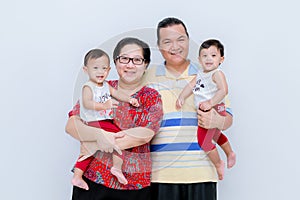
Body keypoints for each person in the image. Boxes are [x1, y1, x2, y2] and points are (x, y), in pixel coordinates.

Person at [143, 17, 233, 200]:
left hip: (201, 173)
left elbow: (228, 119)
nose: (175, 46)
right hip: (161, 175)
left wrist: (217, 120)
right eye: (167, 41)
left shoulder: (208, 75)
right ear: (159, 45)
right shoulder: (147, 77)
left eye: (180, 39)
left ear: (188, 40)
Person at [65, 37, 163, 200]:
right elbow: (72, 125)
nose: (130, 65)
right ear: (116, 63)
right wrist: (98, 136)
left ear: (146, 65)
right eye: (124, 59)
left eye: (137, 60)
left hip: (134, 185)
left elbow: (144, 134)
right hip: (92, 180)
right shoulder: (98, 87)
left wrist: (93, 144)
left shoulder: (151, 97)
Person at [72, 48, 140, 190]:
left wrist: (129, 99)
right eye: (95, 68)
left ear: (109, 70)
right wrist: (104, 105)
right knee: (120, 139)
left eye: (104, 68)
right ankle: (116, 168)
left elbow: (117, 94)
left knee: (89, 151)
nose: (100, 72)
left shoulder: (106, 86)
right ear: (86, 70)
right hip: (94, 123)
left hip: (105, 122)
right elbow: (87, 103)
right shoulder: (88, 87)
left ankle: (78, 176)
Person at [176, 39, 236, 180]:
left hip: (214, 109)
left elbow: (223, 90)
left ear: (221, 59)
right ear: (199, 59)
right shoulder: (200, 75)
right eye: (204, 56)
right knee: (215, 135)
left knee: (204, 141)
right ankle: (230, 153)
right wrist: (181, 97)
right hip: (206, 109)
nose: (209, 59)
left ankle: (218, 163)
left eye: (213, 55)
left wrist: (210, 103)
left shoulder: (217, 73)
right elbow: (190, 86)